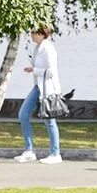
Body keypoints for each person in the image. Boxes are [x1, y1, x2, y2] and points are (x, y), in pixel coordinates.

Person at [14, 26, 63, 164]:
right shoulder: (38, 47)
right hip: (38, 88)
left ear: (42, 34)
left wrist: (34, 70)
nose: (31, 35)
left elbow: (51, 72)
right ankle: (29, 151)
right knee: (23, 114)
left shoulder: (48, 48)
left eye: (34, 33)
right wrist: (34, 70)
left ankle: (55, 154)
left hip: (48, 89)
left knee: (50, 120)